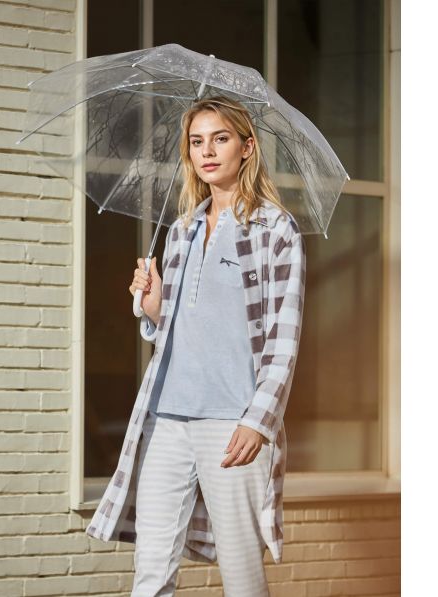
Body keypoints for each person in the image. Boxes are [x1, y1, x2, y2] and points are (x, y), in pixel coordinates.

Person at [86, 95, 306, 597]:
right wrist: (154, 306)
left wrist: (259, 420)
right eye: (197, 141)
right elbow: (181, 330)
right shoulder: (182, 230)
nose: (207, 151)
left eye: (220, 138)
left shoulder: (274, 229)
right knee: (151, 570)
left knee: (242, 575)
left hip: (232, 421)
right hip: (168, 417)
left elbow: (284, 337)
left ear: (247, 148)